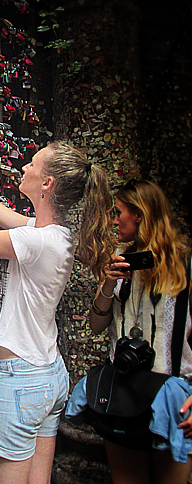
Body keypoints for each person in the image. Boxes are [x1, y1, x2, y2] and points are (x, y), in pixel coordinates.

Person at [0, 117, 115, 484]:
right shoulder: (50, 234)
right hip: (48, 376)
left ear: (47, 183)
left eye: (33, 164)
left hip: (22, 380)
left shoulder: (37, 242)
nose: (24, 166)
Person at [89, 179, 192, 484]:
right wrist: (108, 284)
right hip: (123, 393)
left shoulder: (185, 264)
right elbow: (96, 325)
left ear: (140, 215)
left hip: (173, 394)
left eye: (118, 212)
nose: (113, 220)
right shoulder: (121, 261)